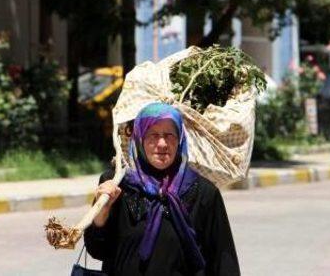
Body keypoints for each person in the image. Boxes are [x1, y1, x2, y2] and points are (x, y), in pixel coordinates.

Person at [84, 102, 240, 276]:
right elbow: (97, 251)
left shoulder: (203, 193)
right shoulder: (116, 186)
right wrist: (102, 211)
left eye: (169, 135)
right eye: (153, 135)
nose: (162, 143)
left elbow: (223, 260)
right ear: (139, 138)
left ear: (180, 139)